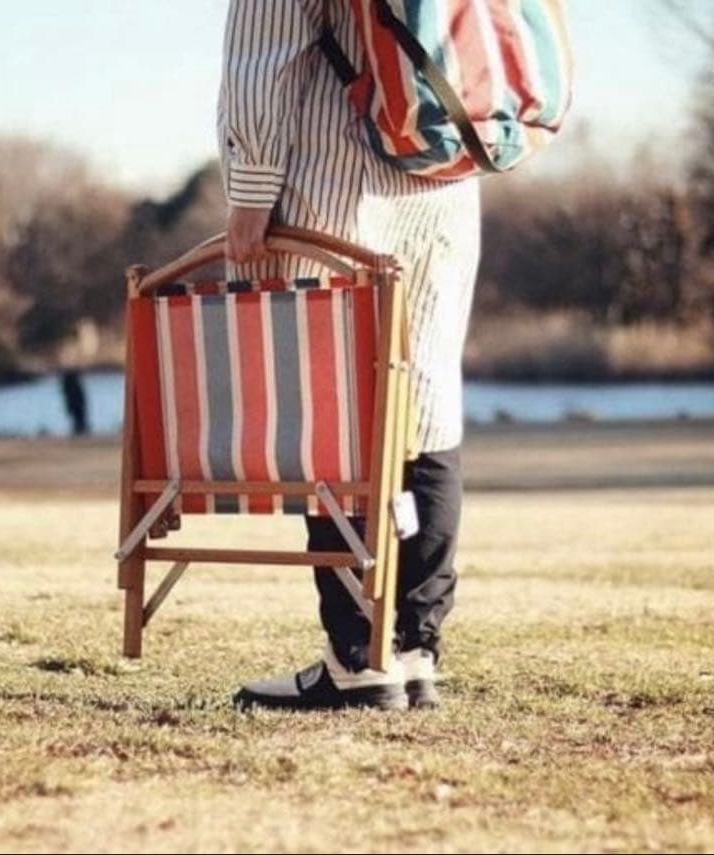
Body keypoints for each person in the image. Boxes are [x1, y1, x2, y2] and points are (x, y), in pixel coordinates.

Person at [220, 0, 480, 710]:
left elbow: (264, 60)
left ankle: (359, 656)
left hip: (338, 184)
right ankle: (415, 647)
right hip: (448, 178)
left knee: (333, 413)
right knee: (428, 407)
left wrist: (250, 194)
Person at [61, 368, 89, 436]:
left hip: (76, 401)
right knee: (78, 416)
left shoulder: (70, 384)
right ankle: (80, 429)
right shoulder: (71, 384)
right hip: (75, 401)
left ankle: (80, 429)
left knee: (78, 416)